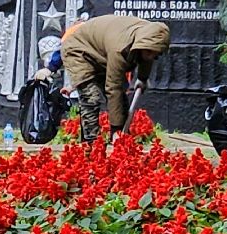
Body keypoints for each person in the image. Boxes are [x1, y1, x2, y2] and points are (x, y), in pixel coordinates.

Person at [58, 14, 171, 142]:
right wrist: (116, 128)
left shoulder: (148, 36)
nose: (151, 57)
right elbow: (113, 88)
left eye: (155, 55)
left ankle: (122, 139)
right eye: (149, 53)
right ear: (140, 46)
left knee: (122, 97)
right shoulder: (120, 49)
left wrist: (143, 78)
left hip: (102, 51)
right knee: (91, 97)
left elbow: (146, 55)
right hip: (80, 51)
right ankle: (90, 143)